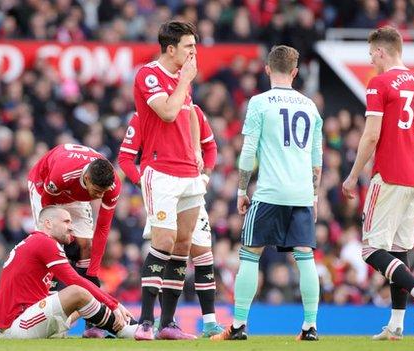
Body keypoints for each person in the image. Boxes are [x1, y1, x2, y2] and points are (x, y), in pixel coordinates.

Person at [212, 45, 323, 341]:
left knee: (250, 254)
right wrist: (313, 196)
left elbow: (248, 152)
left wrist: (240, 189)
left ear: (267, 69)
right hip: (301, 194)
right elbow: (316, 158)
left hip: (270, 192)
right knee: (305, 257)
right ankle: (310, 326)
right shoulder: (310, 106)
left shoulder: (260, 102)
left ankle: (237, 326)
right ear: (296, 72)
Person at [341, 26, 414, 340]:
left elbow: (371, 135)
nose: (371, 59)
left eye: (371, 52)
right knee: (398, 251)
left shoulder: (380, 83)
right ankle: (396, 325)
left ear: (382, 51)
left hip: (388, 176)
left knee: (372, 250)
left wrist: (353, 173)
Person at [118, 105, 223, 337]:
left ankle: (204, 323)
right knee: (164, 246)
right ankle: (149, 321)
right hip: (163, 187)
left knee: (199, 251)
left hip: (191, 188)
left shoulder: (193, 111)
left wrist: (205, 176)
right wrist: (144, 186)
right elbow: (125, 158)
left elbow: (211, 146)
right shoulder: (144, 116)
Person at [131, 20, 206, 340]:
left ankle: (168, 324)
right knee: (162, 241)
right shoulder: (148, 74)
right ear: (171, 48)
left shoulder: (181, 79)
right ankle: (146, 321)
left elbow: (188, 113)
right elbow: (167, 112)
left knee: (183, 244)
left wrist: (197, 151)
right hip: (160, 170)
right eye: (189, 46)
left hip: (188, 171)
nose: (194, 53)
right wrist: (185, 81)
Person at [0, 206, 136, 339]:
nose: (71, 227)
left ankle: (120, 325)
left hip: (23, 320)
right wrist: (114, 304)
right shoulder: (44, 242)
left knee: (84, 300)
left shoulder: (33, 242)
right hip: (17, 326)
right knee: (77, 292)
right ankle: (123, 329)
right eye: (66, 222)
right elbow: (75, 280)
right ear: (48, 224)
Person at [26, 143, 121, 337]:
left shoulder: (112, 185)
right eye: (97, 191)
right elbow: (49, 213)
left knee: (86, 245)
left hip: (75, 192)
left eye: (103, 192)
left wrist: (93, 273)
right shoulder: (60, 174)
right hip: (44, 187)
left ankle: (92, 322)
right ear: (87, 178)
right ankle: (45, 306)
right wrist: (61, 237)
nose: (99, 196)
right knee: (48, 244)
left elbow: (102, 228)